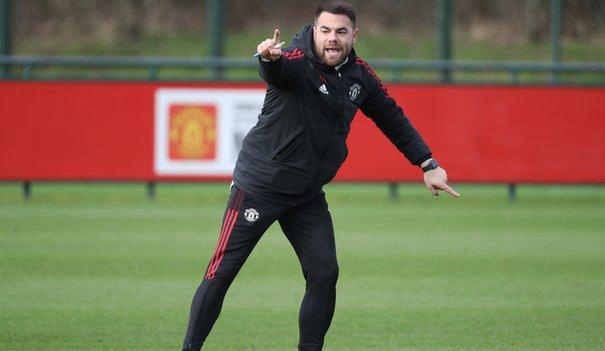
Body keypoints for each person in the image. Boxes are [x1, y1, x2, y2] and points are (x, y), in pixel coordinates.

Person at [181, 2, 460, 350]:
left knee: (325, 274)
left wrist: (428, 163)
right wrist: (268, 59)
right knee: (221, 273)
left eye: (341, 32)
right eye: (325, 31)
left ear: (354, 35)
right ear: (314, 32)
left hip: (306, 195)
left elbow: (391, 117)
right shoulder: (296, 60)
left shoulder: (360, 76)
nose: (332, 39)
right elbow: (278, 71)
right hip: (260, 187)